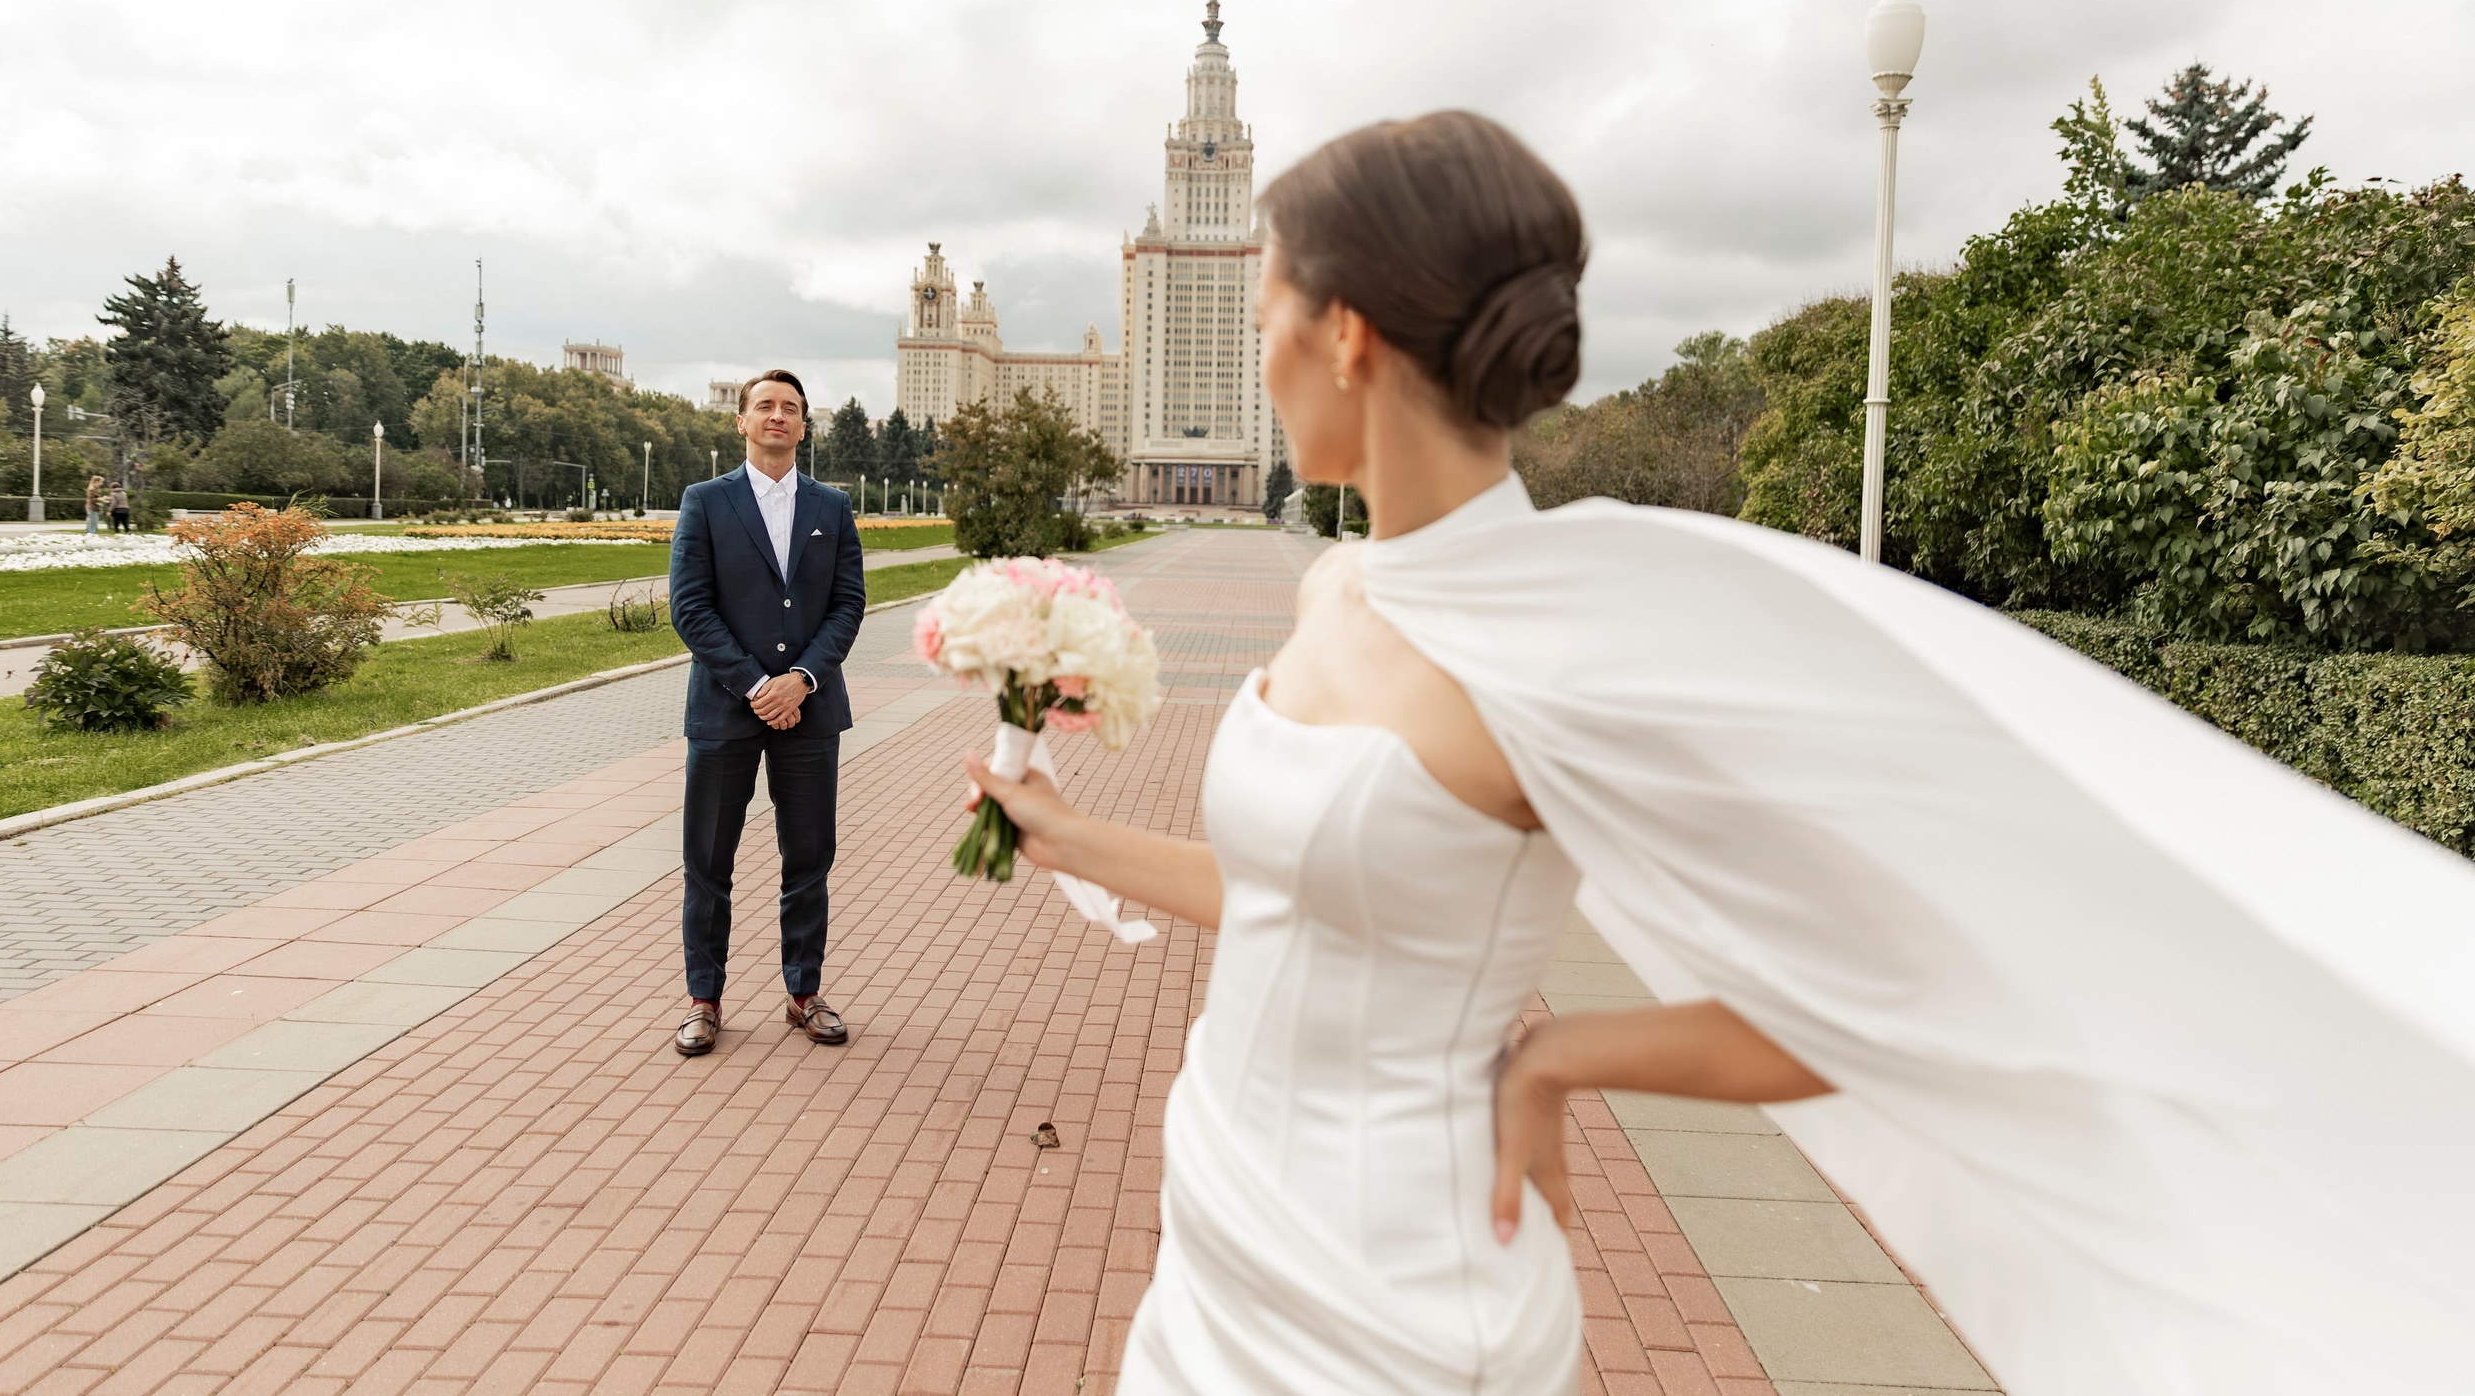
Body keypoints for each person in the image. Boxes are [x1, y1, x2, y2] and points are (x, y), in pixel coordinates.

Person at [964, 111, 2475, 1394]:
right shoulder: (1329, 586)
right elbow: (1295, 894)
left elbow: (1897, 983)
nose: (1262, 356)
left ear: (1344, 333)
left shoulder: (1564, 642)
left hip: (1399, 1299)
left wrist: (1566, 1053)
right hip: (1217, 1225)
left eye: (1265, 319)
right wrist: (1062, 829)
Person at [667, 368, 865, 1056]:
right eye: (764, 406)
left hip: (810, 712)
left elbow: (848, 605)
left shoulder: (832, 507)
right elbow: (690, 608)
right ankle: (703, 998)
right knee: (707, 859)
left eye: (790, 408)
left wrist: (801, 679)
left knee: (809, 857)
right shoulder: (705, 501)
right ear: (742, 422)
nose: (776, 416)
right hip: (725, 711)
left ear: (804, 426)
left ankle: (804, 992)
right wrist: (757, 684)